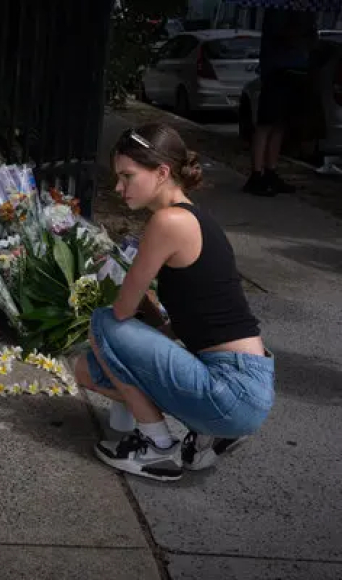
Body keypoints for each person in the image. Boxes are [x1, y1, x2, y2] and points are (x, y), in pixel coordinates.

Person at [76, 123, 275, 482]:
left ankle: (157, 448)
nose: (119, 188)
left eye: (127, 176)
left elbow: (121, 311)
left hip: (232, 386)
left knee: (103, 322)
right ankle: (209, 434)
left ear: (162, 172)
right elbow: (185, 321)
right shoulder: (195, 218)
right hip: (244, 383)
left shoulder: (168, 221)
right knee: (87, 369)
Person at [244, 8, 317, 197]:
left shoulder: (303, 10)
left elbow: (310, 39)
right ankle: (257, 173)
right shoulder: (279, 9)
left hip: (296, 70)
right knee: (267, 123)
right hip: (277, 71)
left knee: (280, 124)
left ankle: (270, 170)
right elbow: (283, 35)